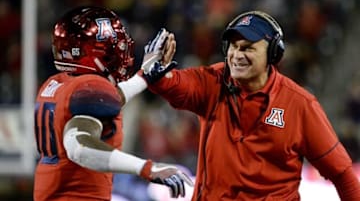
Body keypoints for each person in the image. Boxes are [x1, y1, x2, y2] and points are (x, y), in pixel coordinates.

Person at [121, 11, 360, 200]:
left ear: (273, 54)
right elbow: (178, 86)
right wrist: (156, 74)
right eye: (233, 47)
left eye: (247, 48)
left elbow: (343, 175)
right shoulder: (213, 81)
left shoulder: (300, 105)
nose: (236, 55)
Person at [33, 6, 192, 201]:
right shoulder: (90, 87)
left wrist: (144, 77)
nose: (120, 51)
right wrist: (147, 168)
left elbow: (102, 100)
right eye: (113, 46)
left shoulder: (55, 84)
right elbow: (78, 148)